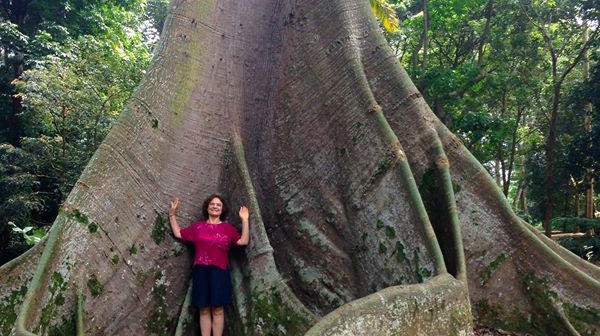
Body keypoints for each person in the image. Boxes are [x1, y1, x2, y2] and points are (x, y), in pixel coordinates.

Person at [168, 194, 249, 336]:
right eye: (212, 204)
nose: (215, 206)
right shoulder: (197, 227)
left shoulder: (228, 229)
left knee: (218, 309)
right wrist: (172, 215)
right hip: (201, 271)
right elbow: (179, 233)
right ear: (207, 207)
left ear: (222, 210)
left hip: (220, 272)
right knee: (203, 309)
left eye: (218, 205)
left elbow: (243, 241)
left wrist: (245, 220)